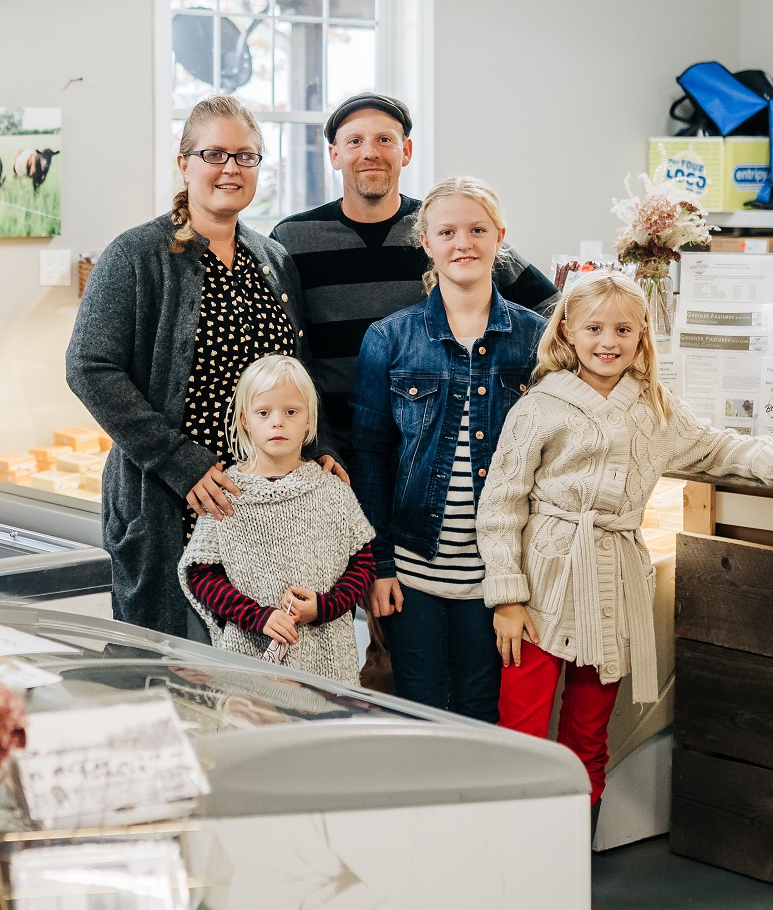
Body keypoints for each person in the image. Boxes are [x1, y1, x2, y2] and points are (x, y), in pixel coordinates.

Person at [476, 268, 773, 910]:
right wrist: (506, 596)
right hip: (544, 578)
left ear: (643, 335)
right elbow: (499, 503)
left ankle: (566, 887)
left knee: (588, 737)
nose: (608, 341)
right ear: (566, 334)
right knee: (524, 737)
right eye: (594, 328)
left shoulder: (657, 408)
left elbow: (718, 445)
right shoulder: (541, 406)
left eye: (623, 328)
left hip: (613, 579)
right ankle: (512, 886)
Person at [67, 95, 347, 638]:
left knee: (267, 682)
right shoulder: (136, 255)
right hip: (174, 505)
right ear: (184, 162)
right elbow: (89, 366)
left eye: (246, 156)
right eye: (214, 153)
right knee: (178, 677)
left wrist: (320, 444)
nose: (231, 169)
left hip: (266, 511)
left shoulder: (273, 260)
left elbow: (297, 371)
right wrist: (177, 459)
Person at [350, 177, 546, 723]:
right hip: (412, 572)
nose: (464, 242)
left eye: (478, 230)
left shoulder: (535, 339)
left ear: (499, 237)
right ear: (426, 243)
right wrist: (379, 564)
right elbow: (370, 458)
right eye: (448, 231)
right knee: (417, 712)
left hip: (498, 572)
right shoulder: (389, 338)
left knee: (482, 713)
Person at [273, 93, 558, 454]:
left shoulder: (446, 226)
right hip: (330, 445)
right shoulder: (293, 238)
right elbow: (279, 350)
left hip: (432, 443)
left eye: (385, 140)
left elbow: (556, 310)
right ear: (335, 155)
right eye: (355, 141)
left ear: (406, 152)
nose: (370, 152)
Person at [177, 355, 375, 685]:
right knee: (256, 732)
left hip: (327, 664)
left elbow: (363, 564)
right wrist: (256, 616)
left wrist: (324, 607)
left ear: (309, 420)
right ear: (244, 421)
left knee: (322, 734)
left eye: (291, 412)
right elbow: (201, 574)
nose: (277, 423)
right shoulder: (227, 494)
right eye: (264, 413)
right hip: (250, 659)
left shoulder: (332, 490)